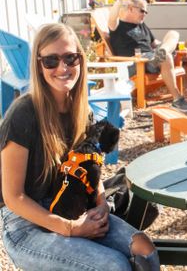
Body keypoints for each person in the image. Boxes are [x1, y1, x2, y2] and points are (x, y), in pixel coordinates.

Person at [0, 23, 160, 271]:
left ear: (80, 60)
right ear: (39, 65)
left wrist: (101, 204)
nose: (62, 68)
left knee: (146, 250)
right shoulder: (23, 113)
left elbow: (88, 167)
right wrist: (70, 229)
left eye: (70, 58)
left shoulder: (81, 111)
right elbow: (13, 197)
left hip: (70, 204)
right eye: (51, 61)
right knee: (114, 266)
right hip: (24, 224)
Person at [109, 0, 187, 112]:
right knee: (165, 56)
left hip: (152, 58)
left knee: (173, 34)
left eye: (146, 12)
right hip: (136, 63)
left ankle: (163, 53)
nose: (145, 14)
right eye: (142, 11)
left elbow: (155, 43)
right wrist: (120, 0)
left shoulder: (142, 26)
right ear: (130, 9)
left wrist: (174, 47)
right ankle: (178, 100)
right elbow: (112, 18)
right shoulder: (117, 26)